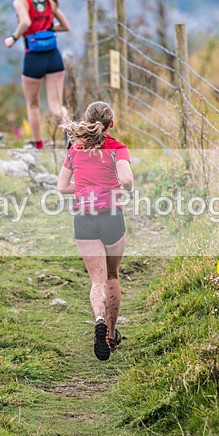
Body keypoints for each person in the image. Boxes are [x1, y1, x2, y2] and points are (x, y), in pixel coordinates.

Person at [58, 102, 134, 361]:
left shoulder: (75, 148)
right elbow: (126, 180)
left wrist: (85, 188)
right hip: (111, 216)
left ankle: (99, 319)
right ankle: (111, 335)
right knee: (112, 276)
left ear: (86, 120)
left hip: (84, 219)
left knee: (96, 281)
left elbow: (62, 186)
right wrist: (125, 188)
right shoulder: (118, 148)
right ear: (111, 124)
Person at [4, 0, 71, 150]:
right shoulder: (49, 0)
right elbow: (66, 26)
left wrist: (13, 37)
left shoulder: (21, 2)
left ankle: (39, 145)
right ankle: (71, 134)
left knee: (32, 104)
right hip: (53, 56)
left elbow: (25, 22)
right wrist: (48, 29)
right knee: (56, 107)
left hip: (33, 57)